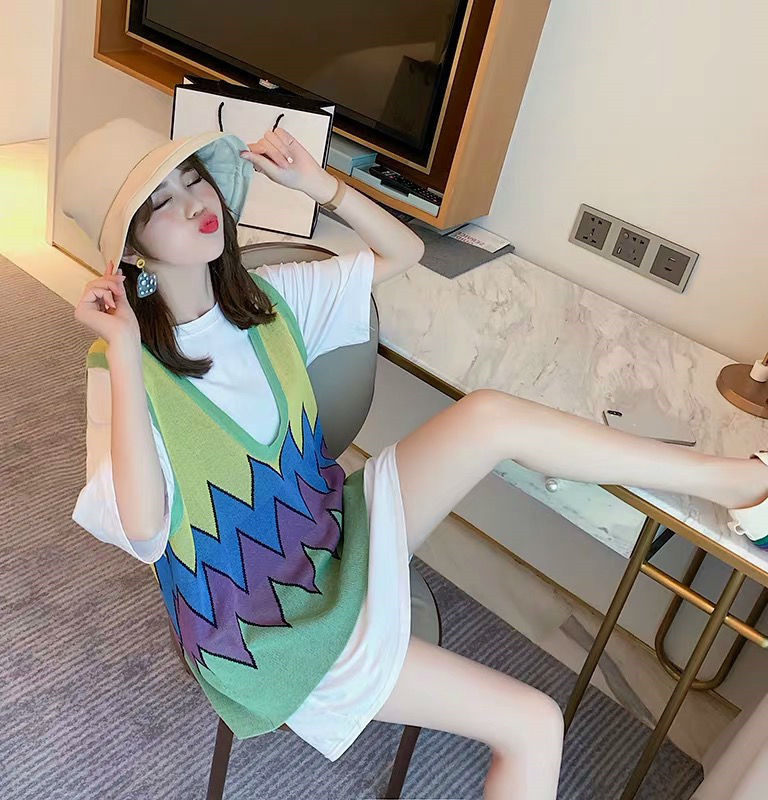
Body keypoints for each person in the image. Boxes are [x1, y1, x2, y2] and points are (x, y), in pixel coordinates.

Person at [63, 116, 768, 800]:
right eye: (161, 204)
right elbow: (146, 532)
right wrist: (125, 352)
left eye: (194, 180)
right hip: (269, 631)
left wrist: (323, 185)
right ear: (131, 250)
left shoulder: (268, 301)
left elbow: (404, 254)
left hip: (336, 530)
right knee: (535, 723)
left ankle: (739, 485)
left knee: (489, 414)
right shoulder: (120, 370)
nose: (195, 204)